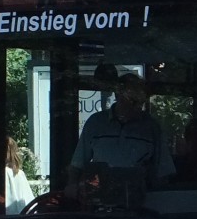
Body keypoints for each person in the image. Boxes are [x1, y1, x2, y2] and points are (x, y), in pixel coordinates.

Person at [68, 71, 175, 201]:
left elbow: (163, 172)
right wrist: (72, 187)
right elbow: (77, 164)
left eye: (140, 102)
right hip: (100, 200)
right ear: (118, 95)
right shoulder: (96, 123)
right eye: (133, 101)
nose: (137, 107)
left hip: (140, 202)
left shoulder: (151, 128)